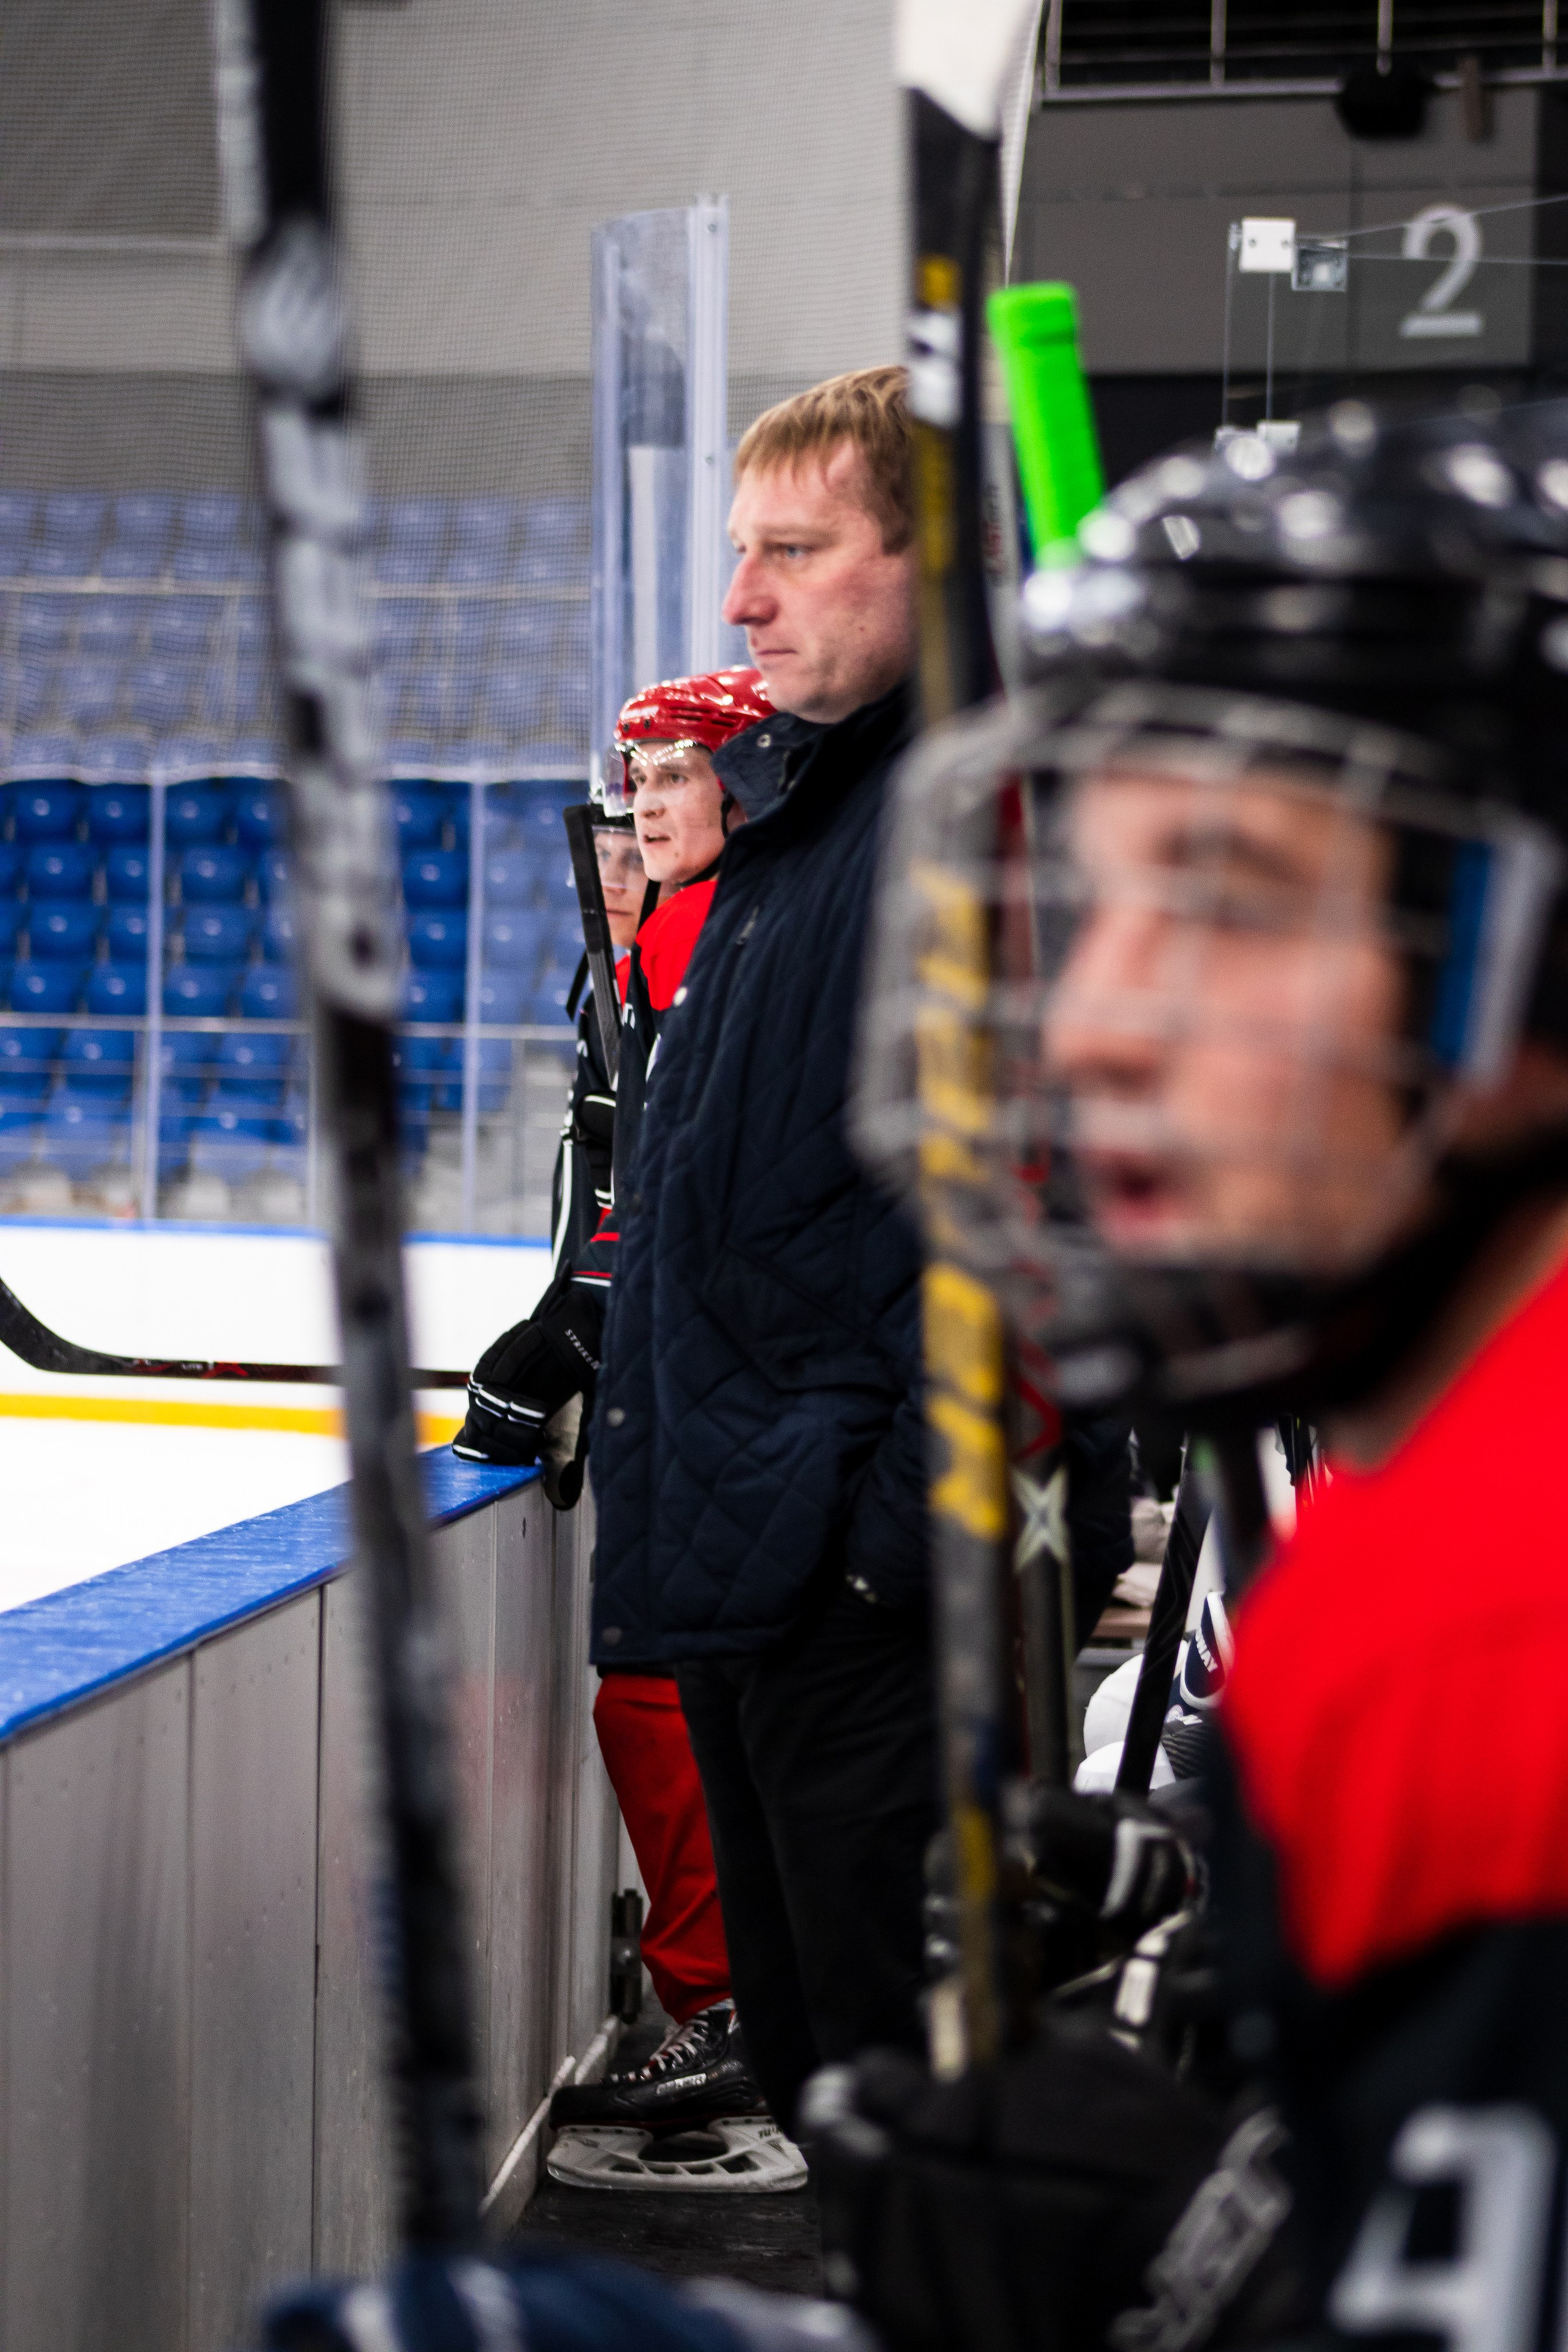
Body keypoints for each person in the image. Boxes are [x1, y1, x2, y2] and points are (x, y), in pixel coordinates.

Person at [814, 396, 1568, 2351]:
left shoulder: (1497, 1624)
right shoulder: (1414, 1518)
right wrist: (1241, 1914)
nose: (1091, 1024)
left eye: (1228, 898)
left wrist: (1214, 2286)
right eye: (1088, 897)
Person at [456, 669, 778, 2137]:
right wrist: (582, 1317)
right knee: (668, 1691)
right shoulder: (643, 938)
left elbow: (701, 1186)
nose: (637, 808)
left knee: (669, 1688)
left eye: (669, 776)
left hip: (748, 1383)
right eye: (629, 780)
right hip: (696, 1373)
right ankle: (740, 2009)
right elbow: (620, 1179)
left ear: (746, 783)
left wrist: (586, 1321)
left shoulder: (732, 931)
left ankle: (732, 2016)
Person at [550, 813, 644, 1273]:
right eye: (603, 855)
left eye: (637, 858)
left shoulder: (683, 987)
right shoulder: (607, 994)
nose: (608, 882)